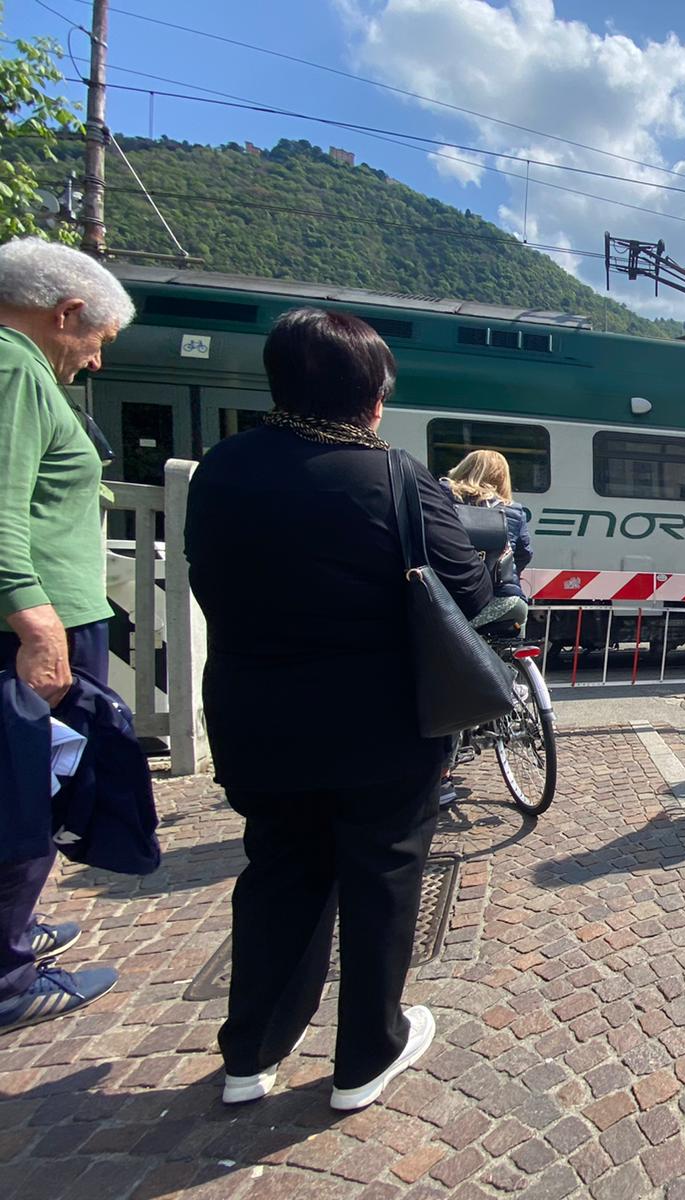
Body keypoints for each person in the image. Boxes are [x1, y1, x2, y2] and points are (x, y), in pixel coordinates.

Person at [185, 308, 492, 1110]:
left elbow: (205, 580)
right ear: (371, 395)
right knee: (383, 873)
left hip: (257, 714)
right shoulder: (394, 474)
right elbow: (471, 591)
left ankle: (250, 1055)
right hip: (380, 719)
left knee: (280, 869)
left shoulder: (222, 467)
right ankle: (364, 1058)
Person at [0, 237, 134, 1034]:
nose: (93, 362)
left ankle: (13, 934)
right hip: (38, 623)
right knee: (24, 792)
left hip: (43, 617)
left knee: (34, 786)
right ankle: (10, 976)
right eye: (97, 343)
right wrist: (34, 617)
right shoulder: (16, 367)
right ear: (67, 312)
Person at [444, 448, 532, 630]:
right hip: (508, 600)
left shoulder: (443, 497)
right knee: (514, 638)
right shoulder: (514, 511)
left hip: (456, 600)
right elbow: (524, 554)